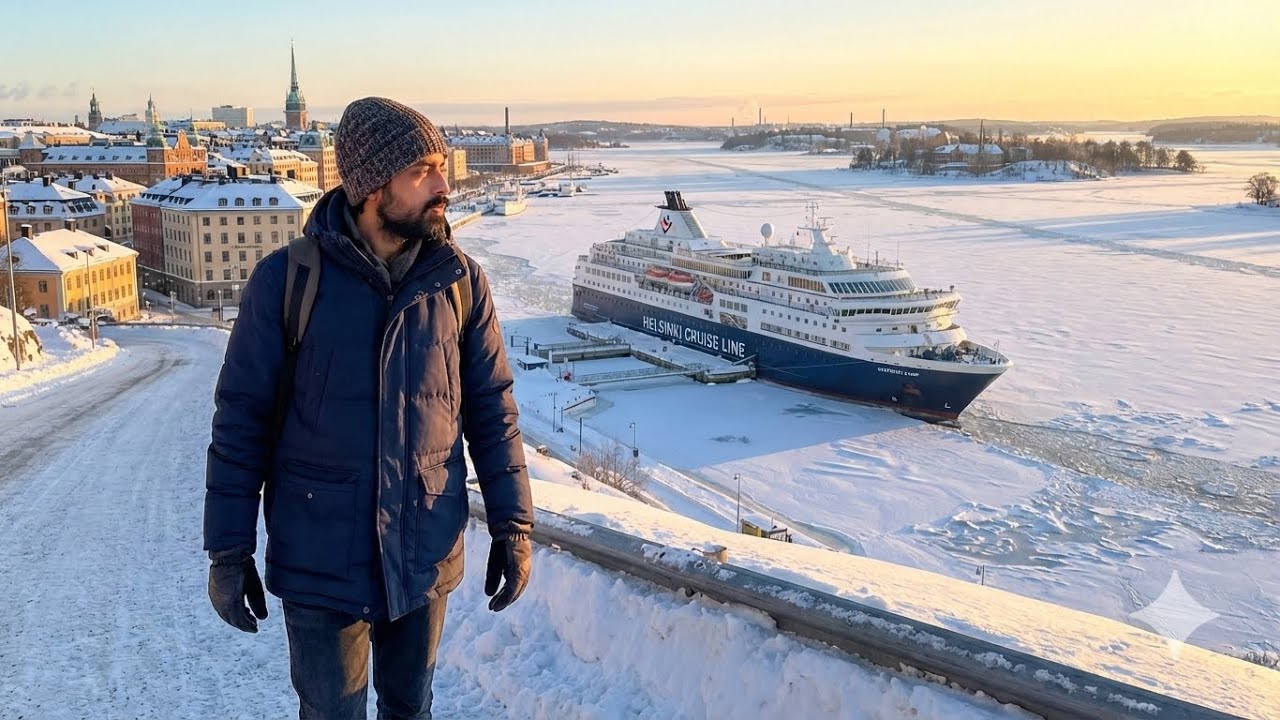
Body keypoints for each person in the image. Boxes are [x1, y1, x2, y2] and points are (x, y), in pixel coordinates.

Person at [203, 96, 534, 720]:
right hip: (319, 555)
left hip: (423, 548)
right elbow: (240, 424)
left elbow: (492, 411)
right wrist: (228, 551)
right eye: (422, 171)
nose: (445, 185)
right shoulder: (287, 282)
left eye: (441, 164)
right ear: (371, 186)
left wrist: (515, 527)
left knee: (411, 709)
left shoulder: (459, 282)